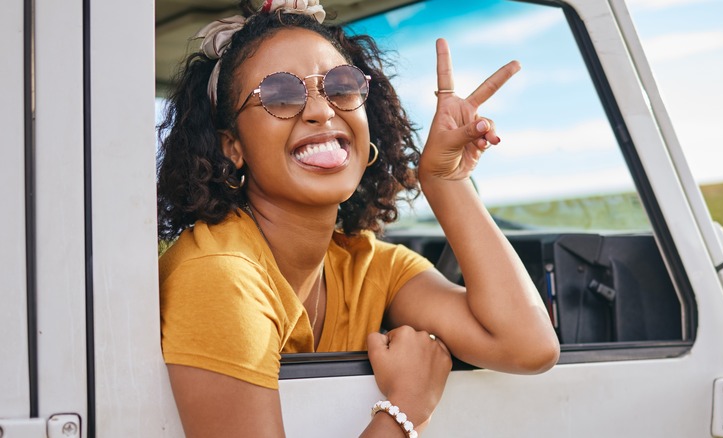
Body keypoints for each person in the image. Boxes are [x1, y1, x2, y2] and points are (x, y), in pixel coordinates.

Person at [157, 0, 560, 436]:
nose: (322, 110)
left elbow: (528, 346)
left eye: (341, 85)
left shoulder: (367, 265)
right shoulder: (217, 275)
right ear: (231, 146)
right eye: (278, 94)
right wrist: (405, 409)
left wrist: (444, 181)